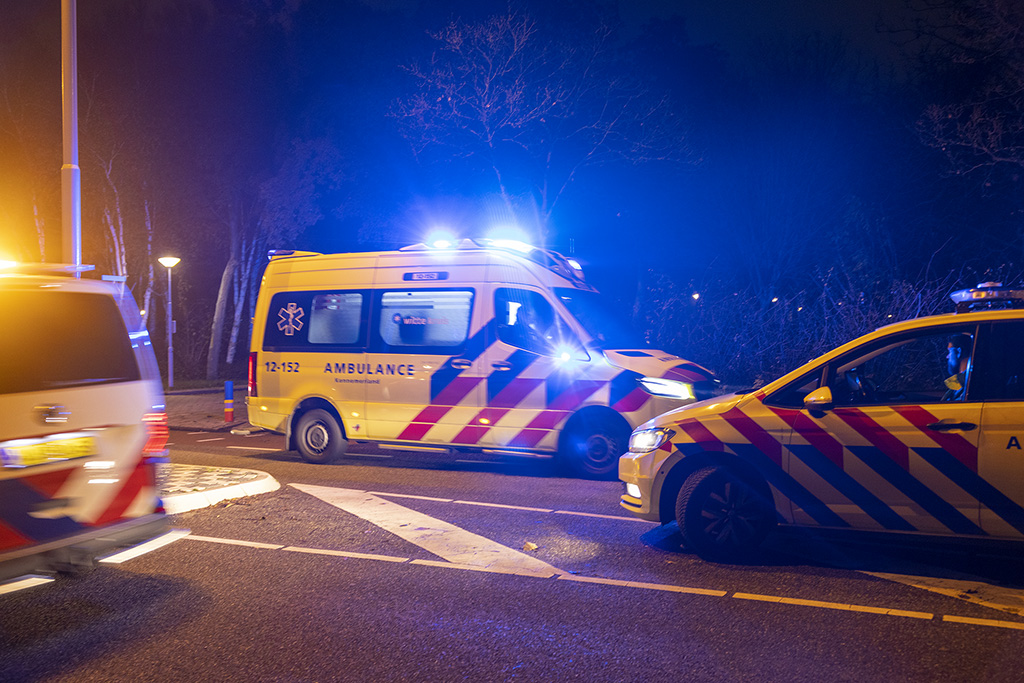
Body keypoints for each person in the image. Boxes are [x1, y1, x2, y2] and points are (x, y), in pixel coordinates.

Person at [943, 334, 972, 401]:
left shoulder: (966, 386)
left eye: (949, 351)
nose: (947, 357)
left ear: (959, 352)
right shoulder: (963, 383)